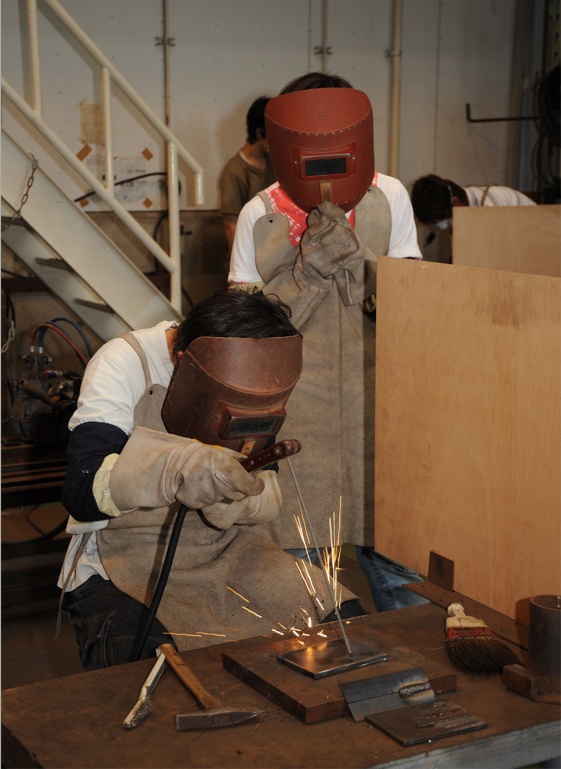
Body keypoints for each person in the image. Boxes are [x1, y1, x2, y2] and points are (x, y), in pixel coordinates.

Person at [58, 289, 363, 670]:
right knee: (146, 670)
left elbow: (267, 487)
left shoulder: (255, 367)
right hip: (122, 555)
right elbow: (81, 490)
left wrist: (240, 498)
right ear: (181, 360)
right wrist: (172, 467)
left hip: (224, 549)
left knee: (346, 625)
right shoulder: (124, 361)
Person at [228, 72, 429, 613]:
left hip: (380, 412)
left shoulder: (388, 198)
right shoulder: (261, 214)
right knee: (302, 577)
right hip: (298, 422)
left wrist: (362, 268)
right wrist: (307, 277)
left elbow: (412, 311)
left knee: (402, 567)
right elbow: (245, 334)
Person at [411, 174, 536, 263]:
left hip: (533, 246)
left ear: (455, 201)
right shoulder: (465, 205)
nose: (443, 224)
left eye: (443, 217)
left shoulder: (489, 207)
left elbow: (495, 258)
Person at [219, 96, 276, 253]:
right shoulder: (234, 172)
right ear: (260, 133)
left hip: (275, 252)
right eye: (275, 133)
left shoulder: (274, 162)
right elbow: (230, 226)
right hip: (251, 254)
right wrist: (242, 264)